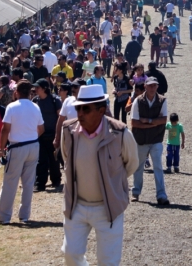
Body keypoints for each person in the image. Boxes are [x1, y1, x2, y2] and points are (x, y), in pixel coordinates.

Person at [60, 84, 139, 266]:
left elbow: (131, 163)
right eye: (78, 108)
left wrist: (111, 181)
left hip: (108, 206)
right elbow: (67, 159)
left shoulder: (120, 133)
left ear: (101, 110)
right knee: (71, 255)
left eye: (85, 109)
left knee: (108, 261)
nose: (79, 113)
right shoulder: (68, 131)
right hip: (76, 205)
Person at [0, 80, 44, 224]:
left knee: (10, 182)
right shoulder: (35, 107)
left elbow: (5, 129)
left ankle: (4, 217)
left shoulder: (12, 107)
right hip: (33, 145)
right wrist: (30, 136)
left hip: (17, 147)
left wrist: (1, 149)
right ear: (30, 92)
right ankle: (24, 216)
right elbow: (41, 129)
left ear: (16, 92)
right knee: (28, 183)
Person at [130, 77, 170, 205]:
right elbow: (134, 123)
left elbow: (164, 120)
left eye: (154, 86)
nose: (152, 88)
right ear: (145, 86)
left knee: (158, 166)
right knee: (138, 167)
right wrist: (154, 122)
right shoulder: (137, 101)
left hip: (156, 138)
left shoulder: (162, 101)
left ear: (157, 87)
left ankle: (161, 195)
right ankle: (136, 192)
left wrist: (147, 121)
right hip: (141, 139)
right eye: (150, 86)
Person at [32, 79, 62, 192]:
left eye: (37, 87)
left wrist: (58, 135)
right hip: (39, 135)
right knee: (41, 160)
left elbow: (60, 117)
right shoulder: (35, 100)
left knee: (54, 159)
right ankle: (40, 184)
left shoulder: (55, 100)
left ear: (44, 88)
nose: (35, 89)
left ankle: (56, 180)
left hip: (53, 134)